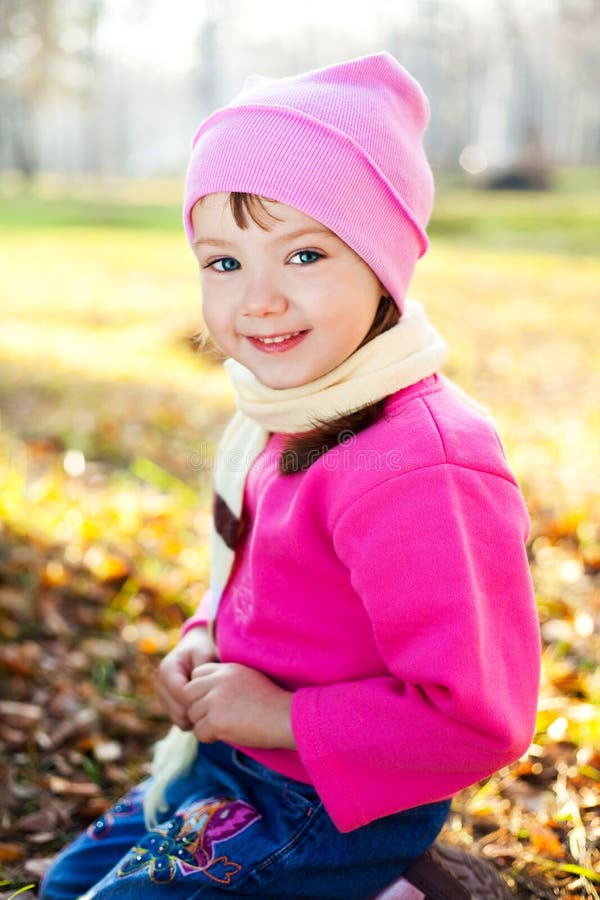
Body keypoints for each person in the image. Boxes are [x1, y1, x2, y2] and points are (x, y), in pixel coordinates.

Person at [41, 52, 540, 900]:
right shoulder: (291, 408)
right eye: (223, 263)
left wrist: (279, 717)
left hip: (329, 800)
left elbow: (477, 717)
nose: (258, 300)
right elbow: (261, 583)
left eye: (303, 255)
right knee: (66, 888)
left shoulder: (418, 464)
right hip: (230, 763)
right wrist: (205, 639)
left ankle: (388, 880)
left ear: (382, 263)